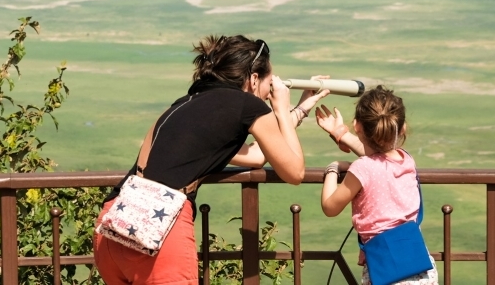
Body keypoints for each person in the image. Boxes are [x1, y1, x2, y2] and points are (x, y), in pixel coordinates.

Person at [93, 35, 330, 285]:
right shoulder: (247, 105)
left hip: (115, 223)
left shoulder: (184, 104)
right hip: (160, 229)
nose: (269, 92)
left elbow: (259, 155)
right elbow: (294, 172)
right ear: (253, 79)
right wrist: (281, 109)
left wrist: (301, 110)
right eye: (269, 83)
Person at [317, 85, 439, 285]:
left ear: (357, 126)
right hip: (421, 268)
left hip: (386, 269)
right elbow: (379, 157)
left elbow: (330, 207)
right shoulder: (406, 159)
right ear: (403, 128)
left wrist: (333, 169)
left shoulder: (362, 169)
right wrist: (340, 134)